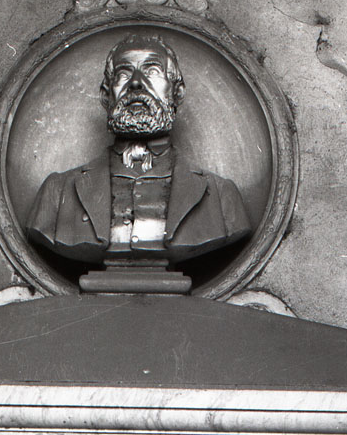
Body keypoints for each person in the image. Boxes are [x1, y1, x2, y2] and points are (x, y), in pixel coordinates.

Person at [26, 33, 251, 268]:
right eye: (123, 74)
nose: (136, 82)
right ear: (106, 96)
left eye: (152, 71)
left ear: (177, 93)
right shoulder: (57, 193)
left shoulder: (222, 197)